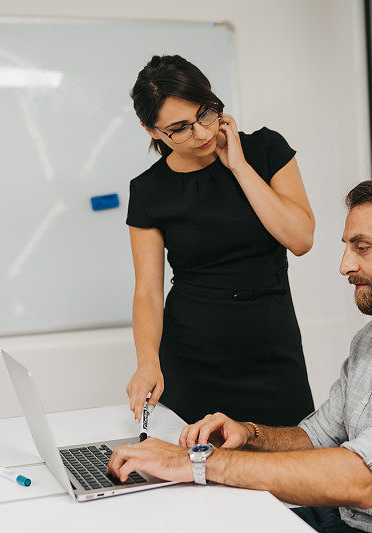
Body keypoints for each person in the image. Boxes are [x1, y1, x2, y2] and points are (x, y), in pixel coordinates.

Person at [108, 176, 372, 533]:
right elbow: (316, 437)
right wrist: (247, 435)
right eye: (346, 247)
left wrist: (199, 463)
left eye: (362, 248)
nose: (344, 265)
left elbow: (365, 478)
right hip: (339, 521)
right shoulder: (371, 340)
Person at [124, 54, 315, 426]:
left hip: (271, 347)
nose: (202, 134)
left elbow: (301, 237)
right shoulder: (148, 190)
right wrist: (148, 363)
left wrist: (239, 167)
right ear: (152, 131)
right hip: (193, 357)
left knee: (290, 468)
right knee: (197, 474)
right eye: (179, 128)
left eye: (206, 114)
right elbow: (147, 290)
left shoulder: (264, 150)